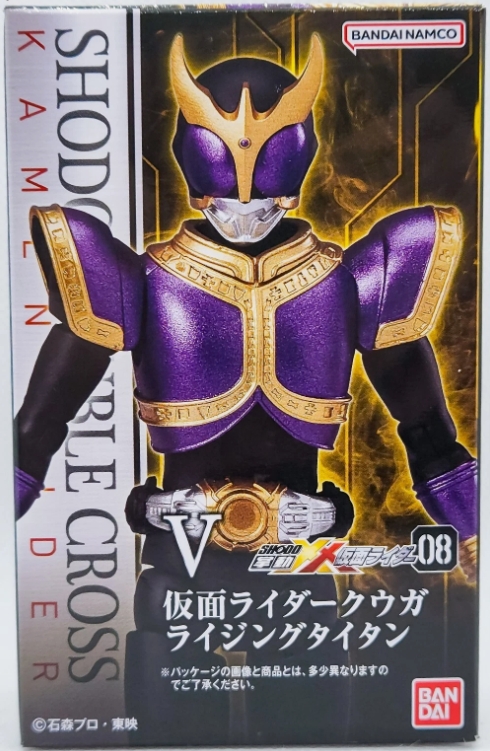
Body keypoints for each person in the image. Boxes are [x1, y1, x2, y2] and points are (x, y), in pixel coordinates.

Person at [15, 34, 477, 744]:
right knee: (173, 726)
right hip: (180, 556)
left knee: (305, 726)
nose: (242, 195)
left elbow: (431, 438)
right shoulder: (142, 283)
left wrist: (470, 527)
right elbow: (34, 433)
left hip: (300, 554)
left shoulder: (349, 284)